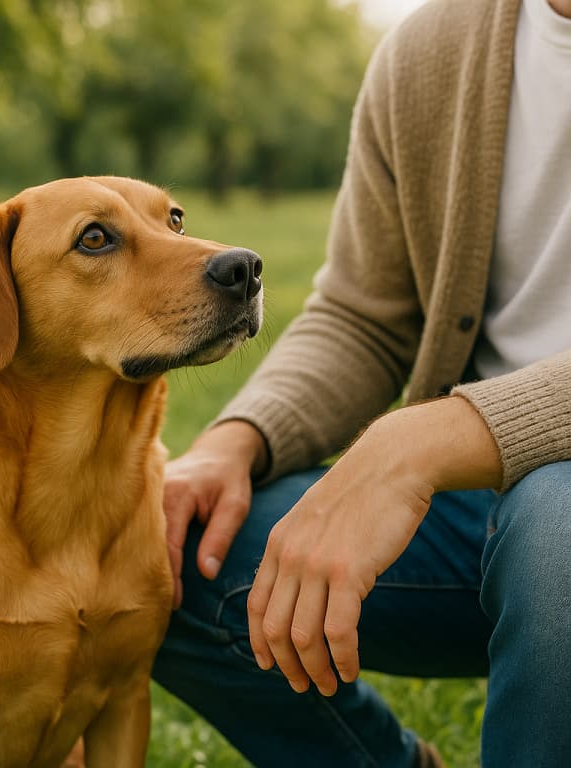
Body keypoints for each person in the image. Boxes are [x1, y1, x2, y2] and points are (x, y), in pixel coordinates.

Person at [151, 0, 571, 765]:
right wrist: (235, 442)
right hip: (478, 513)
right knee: (169, 554)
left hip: (550, 525)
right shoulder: (431, 53)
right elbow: (364, 316)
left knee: (557, 528)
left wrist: (424, 444)